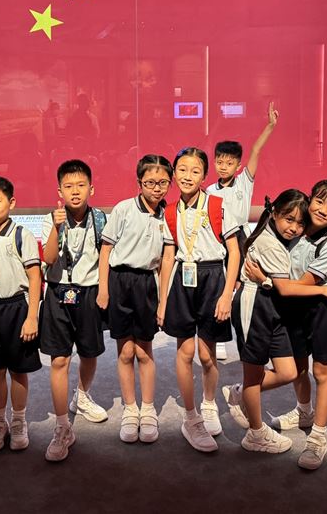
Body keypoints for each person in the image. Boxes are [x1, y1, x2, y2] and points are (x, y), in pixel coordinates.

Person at [222, 190, 327, 454]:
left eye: (299, 223)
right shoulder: (274, 240)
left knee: (294, 371)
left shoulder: (317, 242)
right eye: (319, 202)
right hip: (262, 305)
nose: (294, 227)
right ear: (275, 213)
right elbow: (286, 288)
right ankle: (256, 431)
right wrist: (267, 281)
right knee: (258, 372)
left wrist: (266, 280)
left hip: (292, 306)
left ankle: (242, 394)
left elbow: (291, 285)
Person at [246, 179, 327, 470]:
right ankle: (304, 412)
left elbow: (300, 285)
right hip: (289, 309)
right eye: (319, 201)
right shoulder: (292, 227)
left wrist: (265, 280)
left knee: (322, 372)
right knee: (298, 368)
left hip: (317, 310)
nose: (323, 210)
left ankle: (318, 437)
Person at [158, 147, 239, 452]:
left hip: (212, 278)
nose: (187, 176)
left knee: (207, 355)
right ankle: (191, 417)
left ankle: (208, 403)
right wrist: (163, 301)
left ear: (205, 176)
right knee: (185, 351)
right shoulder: (170, 211)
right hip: (183, 278)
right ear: (174, 173)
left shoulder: (218, 206)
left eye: (195, 171)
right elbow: (168, 257)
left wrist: (226, 295)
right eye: (182, 169)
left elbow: (235, 252)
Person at [97, 154, 175, 444]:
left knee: (144, 351)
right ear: (139, 182)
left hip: (146, 284)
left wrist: (163, 300)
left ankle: (148, 408)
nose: (156, 188)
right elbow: (106, 250)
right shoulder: (123, 209)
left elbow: (167, 259)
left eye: (163, 183)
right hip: (120, 281)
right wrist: (103, 289)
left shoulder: (169, 215)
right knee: (125, 351)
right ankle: (130, 409)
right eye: (150, 182)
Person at [40, 159, 110, 462]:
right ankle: (62, 426)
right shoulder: (51, 219)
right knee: (59, 359)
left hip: (90, 292)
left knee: (90, 352)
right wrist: (57, 228)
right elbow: (48, 258)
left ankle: (82, 395)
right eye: (68, 186)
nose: (75, 191)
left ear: (91, 188)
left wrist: (104, 290)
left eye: (81, 185)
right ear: (59, 191)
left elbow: (106, 257)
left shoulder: (101, 219)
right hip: (58, 292)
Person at [0, 176, 42, 452]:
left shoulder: (22, 235)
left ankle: (18, 420)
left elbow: (35, 277)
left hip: (18, 309)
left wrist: (32, 316)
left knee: (18, 370)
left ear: (11, 203)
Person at [207, 101, 279, 361]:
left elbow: (256, 150)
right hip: (219, 240)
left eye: (229, 163)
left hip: (241, 238)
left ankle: (251, 332)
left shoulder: (244, 182)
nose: (223, 166)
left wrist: (270, 126)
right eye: (219, 162)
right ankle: (219, 337)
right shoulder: (210, 190)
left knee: (246, 284)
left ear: (238, 165)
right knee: (221, 285)